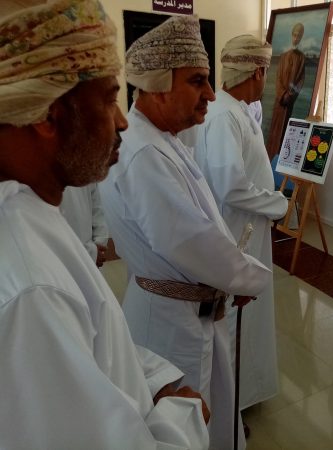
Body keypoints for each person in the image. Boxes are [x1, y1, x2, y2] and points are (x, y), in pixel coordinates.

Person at [0, 1, 210, 448]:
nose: (121, 122)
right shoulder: (32, 289)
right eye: (110, 99)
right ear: (49, 115)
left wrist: (154, 384)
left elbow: (96, 354)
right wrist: (184, 413)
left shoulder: (30, 211)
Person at [99, 17, 271, 450]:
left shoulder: (165, 140)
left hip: (192, 310)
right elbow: (189, 240)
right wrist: (249, 277)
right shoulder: (143, 153)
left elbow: (204, 222)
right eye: (197, 81)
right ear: (158, 87)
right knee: (186, 430)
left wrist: (233, 277)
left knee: (211, 419)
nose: (211, 94)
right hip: (168, 325)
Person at [180, 35, 288, 411]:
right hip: (238, 230)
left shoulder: (237, 109)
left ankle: (245, 392)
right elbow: (231, 185)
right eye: (266, 72)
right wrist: (277, 204)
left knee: (249, 314)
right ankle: (232, 403)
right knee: (239, 316)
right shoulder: (225, 114)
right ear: (257, 72)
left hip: (247, 227)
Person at [265, 22, 305, 159]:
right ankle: (271, 156)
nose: (296, 38)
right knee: (276, 129)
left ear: (301, 37)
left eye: (299, 36)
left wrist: (291, 94)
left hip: (289, 103)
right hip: (280, 101)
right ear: (291, 35)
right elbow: (277, 79)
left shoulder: (301, 58)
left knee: (286, 131)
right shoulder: (283, 56)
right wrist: (283, 94)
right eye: (294, 35)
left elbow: (300, 80)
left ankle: (282, 158)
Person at [60, 184, 109, 267]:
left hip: (91, 254)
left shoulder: (89, 178)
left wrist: (98, 247)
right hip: (60, 257)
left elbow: (98, 210)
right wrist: (91, 253)